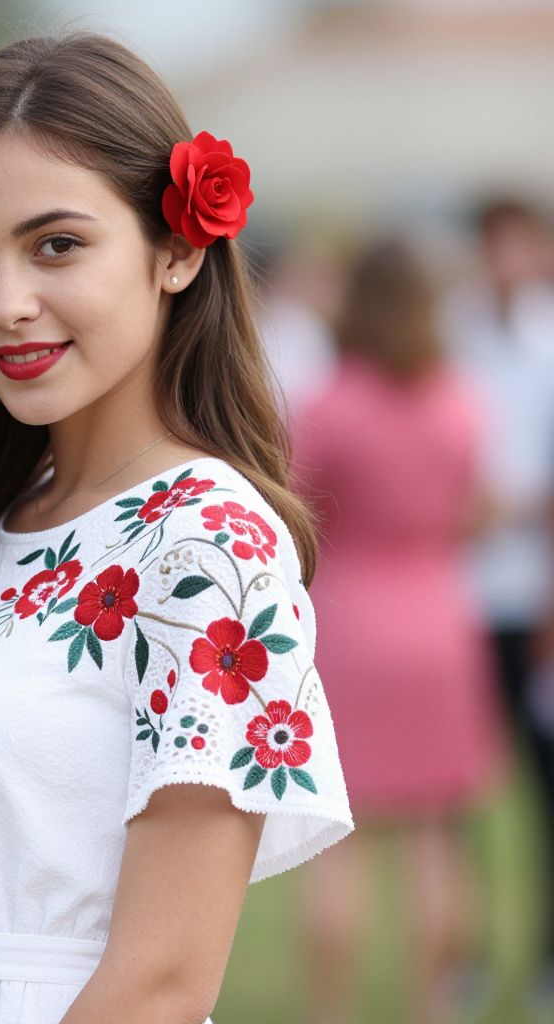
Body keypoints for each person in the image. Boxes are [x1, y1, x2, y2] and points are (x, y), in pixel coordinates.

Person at [0, 33, 354, 1024]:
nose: (6, 305)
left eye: (56, 245)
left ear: (176, 250)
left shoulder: (208, 547)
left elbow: (163, 982)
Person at [290, 240, 506, 1024]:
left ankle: (330, 1013)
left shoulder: (329, 403)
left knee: (338, 843)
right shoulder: (459, 400)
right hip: (442, 623)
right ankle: (431, 1010)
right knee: (433, 837)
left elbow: (293, 507)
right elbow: (478, 507)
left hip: (351, 624)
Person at [440, 197, 554, 1005]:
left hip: (537, 593)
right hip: (460, 596)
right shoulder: (452, 334)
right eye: (494, 243)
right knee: (457, 793)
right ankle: (466, 953)